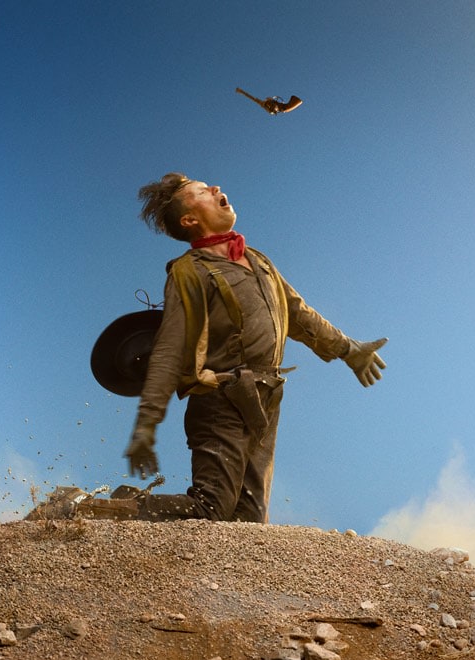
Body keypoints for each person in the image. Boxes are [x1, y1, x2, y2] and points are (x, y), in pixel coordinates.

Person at [121, 172, 387, 524]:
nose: (215, 187)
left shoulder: (257, 259)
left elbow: (298, 314)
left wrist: (349, 349)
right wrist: (146, 424)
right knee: (210, 508)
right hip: (220, 402)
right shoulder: (189, 271)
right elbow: (170, 349)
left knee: (249, 522)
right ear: (190, 220)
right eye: (202, 191)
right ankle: (102, 509)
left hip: (266, 399)